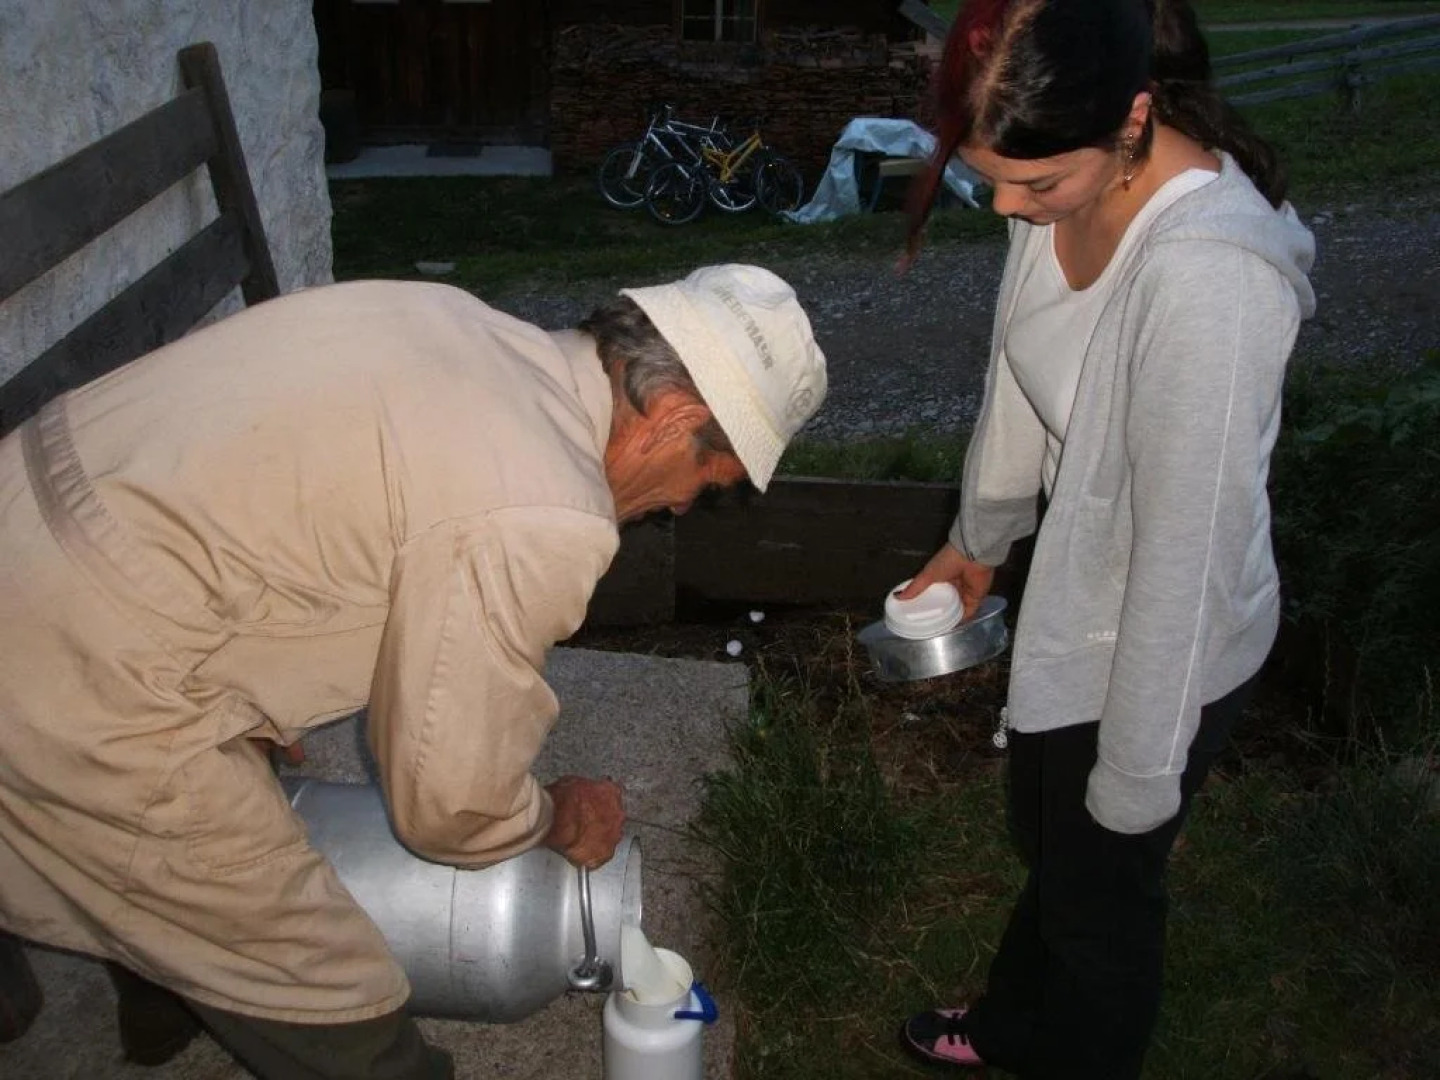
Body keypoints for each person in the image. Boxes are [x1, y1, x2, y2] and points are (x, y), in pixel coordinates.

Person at [0, 264, 826, 1077]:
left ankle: (146, 994)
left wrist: (258, 676)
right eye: (703, 483)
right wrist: (552, 816)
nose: (680, 507)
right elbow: (451, 804)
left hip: (29, 512)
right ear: (670, 417)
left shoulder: (458, 320)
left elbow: (286, 500)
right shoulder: (544, 510)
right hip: (77, 659)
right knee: (312, 968)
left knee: (140, 855)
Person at [894, 1, 1315, 1076]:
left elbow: (1187, 556)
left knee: (1103, 898)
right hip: (1080, 612)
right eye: (986, 176)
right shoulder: (1059, 193)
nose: (1004, 207)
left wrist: (1136, 779)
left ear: (1133, 120)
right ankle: (1014, 1023)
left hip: (1160, 650)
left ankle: (1072, 1048)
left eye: (1034, 184)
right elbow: (1018, 386)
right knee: (1055, 851)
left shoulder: (1211, 282)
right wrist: (979, 540)